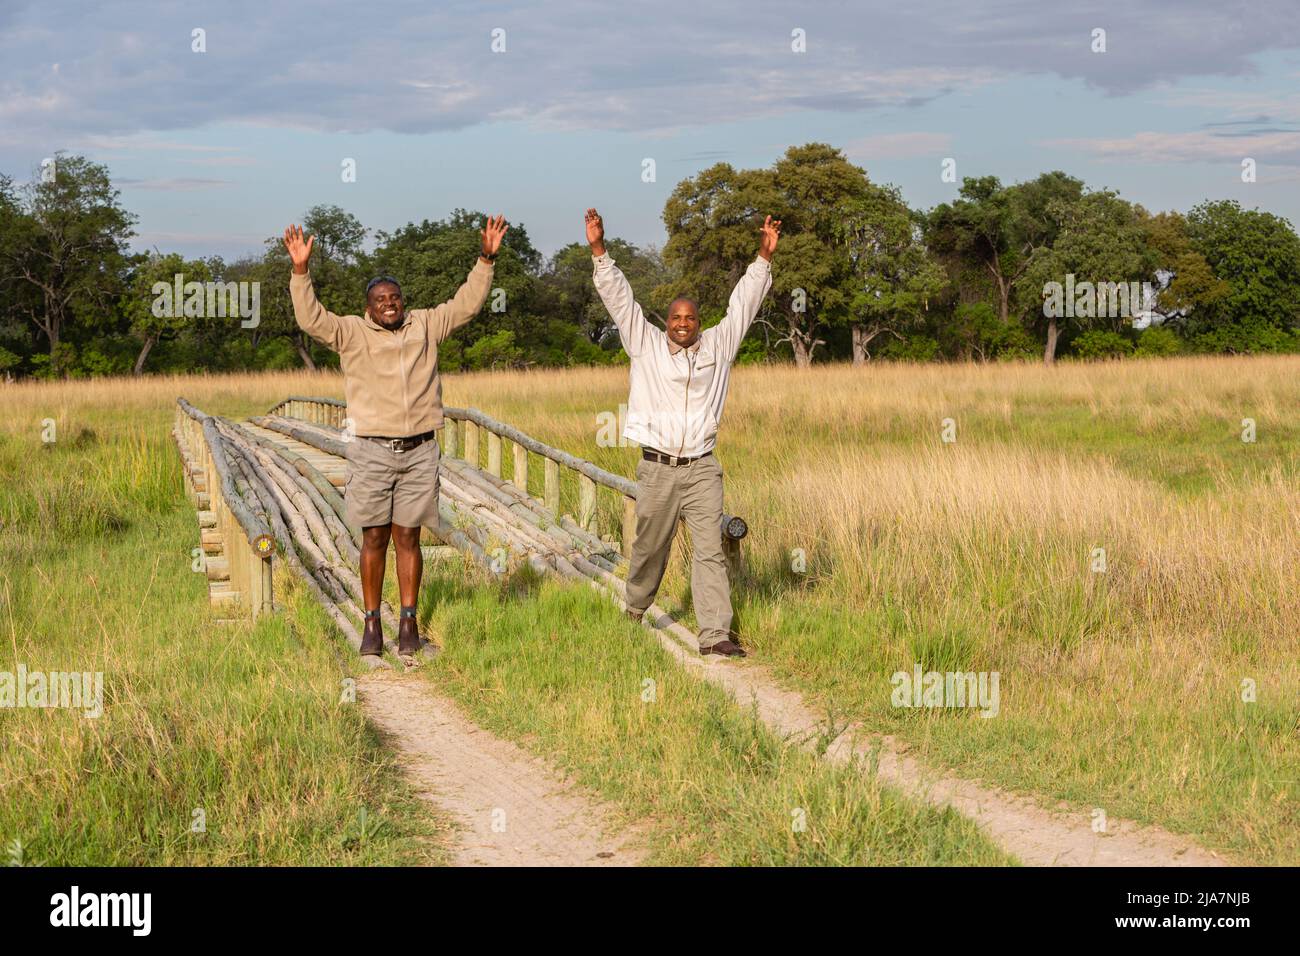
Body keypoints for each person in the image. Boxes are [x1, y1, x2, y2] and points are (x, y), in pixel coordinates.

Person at [282, 215, 509, 660]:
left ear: (403, 302)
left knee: (409, 537)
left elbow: (466, 304)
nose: (389, 304)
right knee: (373, 537)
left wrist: (486, 259)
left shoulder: (424, 325)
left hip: (420, 450)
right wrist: (300, 271)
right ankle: (372, 625)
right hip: (371, 451)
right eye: (380, 300)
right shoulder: (350, 332)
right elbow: (311, 319)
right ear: (368, 307)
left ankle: (409, 623)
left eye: (395, 298)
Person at [585, 207, 779, 656]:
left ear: (699, 321)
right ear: (667, 321)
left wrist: (764, 258)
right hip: (657, 468)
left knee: (709, 550)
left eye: (690, 318)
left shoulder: (719, 346)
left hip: (702, 468)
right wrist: (599, 250)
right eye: (676, 318)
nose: (683, 324)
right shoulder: (644, 343)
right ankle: (635, 608)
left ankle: (715, 635)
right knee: (650, 548)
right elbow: (620, 299)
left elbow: (744, 303)